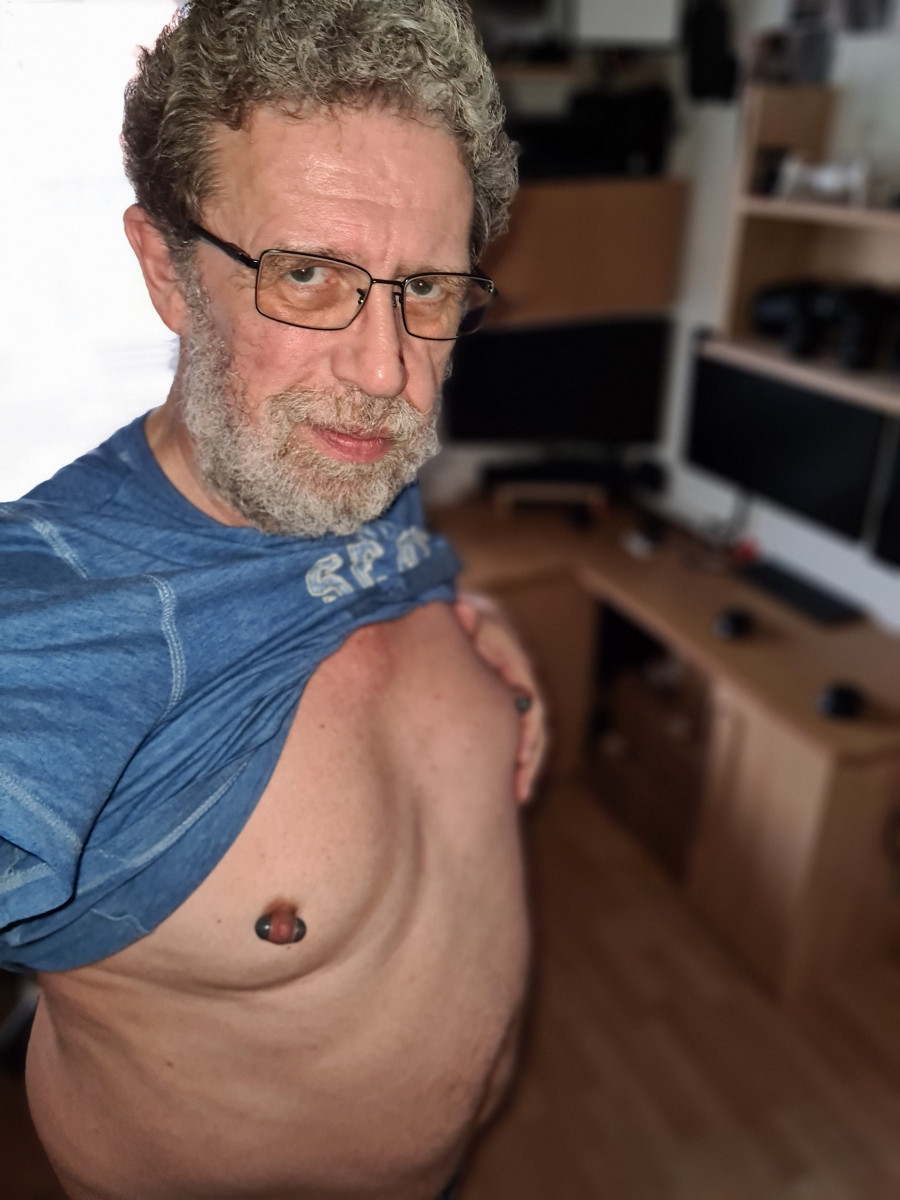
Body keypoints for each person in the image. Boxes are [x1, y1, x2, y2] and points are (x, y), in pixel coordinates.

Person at [0, 2, 546, 1198]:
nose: (386, 372)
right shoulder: (42, 623)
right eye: (307, 275)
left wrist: (468, 620)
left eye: (427, 290)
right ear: (167, 268)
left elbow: (374, 573)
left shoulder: (331, 461)